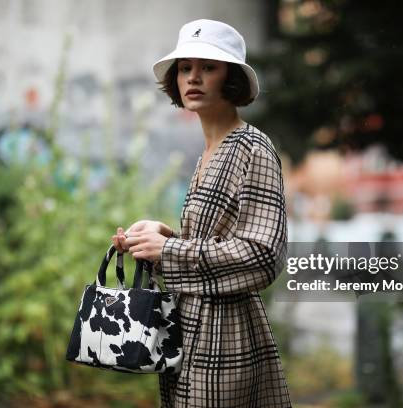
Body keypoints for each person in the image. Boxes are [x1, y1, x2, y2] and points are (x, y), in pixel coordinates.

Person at [112, 19, 292, 407]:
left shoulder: (252, 148)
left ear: (232, 79)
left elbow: (263, 256)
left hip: (226, 343)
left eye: (208, 67)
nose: (193, 77)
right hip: (188, 333)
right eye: (185, 68)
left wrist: (170, 252)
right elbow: (216, 247)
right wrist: (157, 240)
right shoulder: (208, 152)